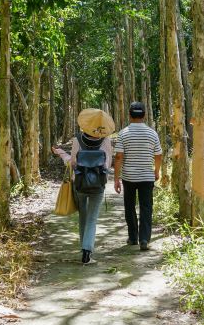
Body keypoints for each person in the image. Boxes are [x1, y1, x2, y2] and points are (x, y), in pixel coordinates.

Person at [53, 108, 114, 265]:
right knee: (92, 219)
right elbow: (107, 164)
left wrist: (61, 153)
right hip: (98, 184)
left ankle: (83, 248)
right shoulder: (106, 141)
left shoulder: (77, 140)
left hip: (79, 183)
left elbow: (73, 163)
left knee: (83, 216)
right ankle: (87, 251)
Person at [114, 102, 162, 251]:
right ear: (145, 115)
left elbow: (119, 157)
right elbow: (158, 155)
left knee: (129, 207)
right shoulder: (152, 133)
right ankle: (144, 239)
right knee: (146, 207)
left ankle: (133, 237)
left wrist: (116, 178)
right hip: (147, 177)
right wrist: (156, 171)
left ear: (129, 115)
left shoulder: (123, 133)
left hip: (129, 177)